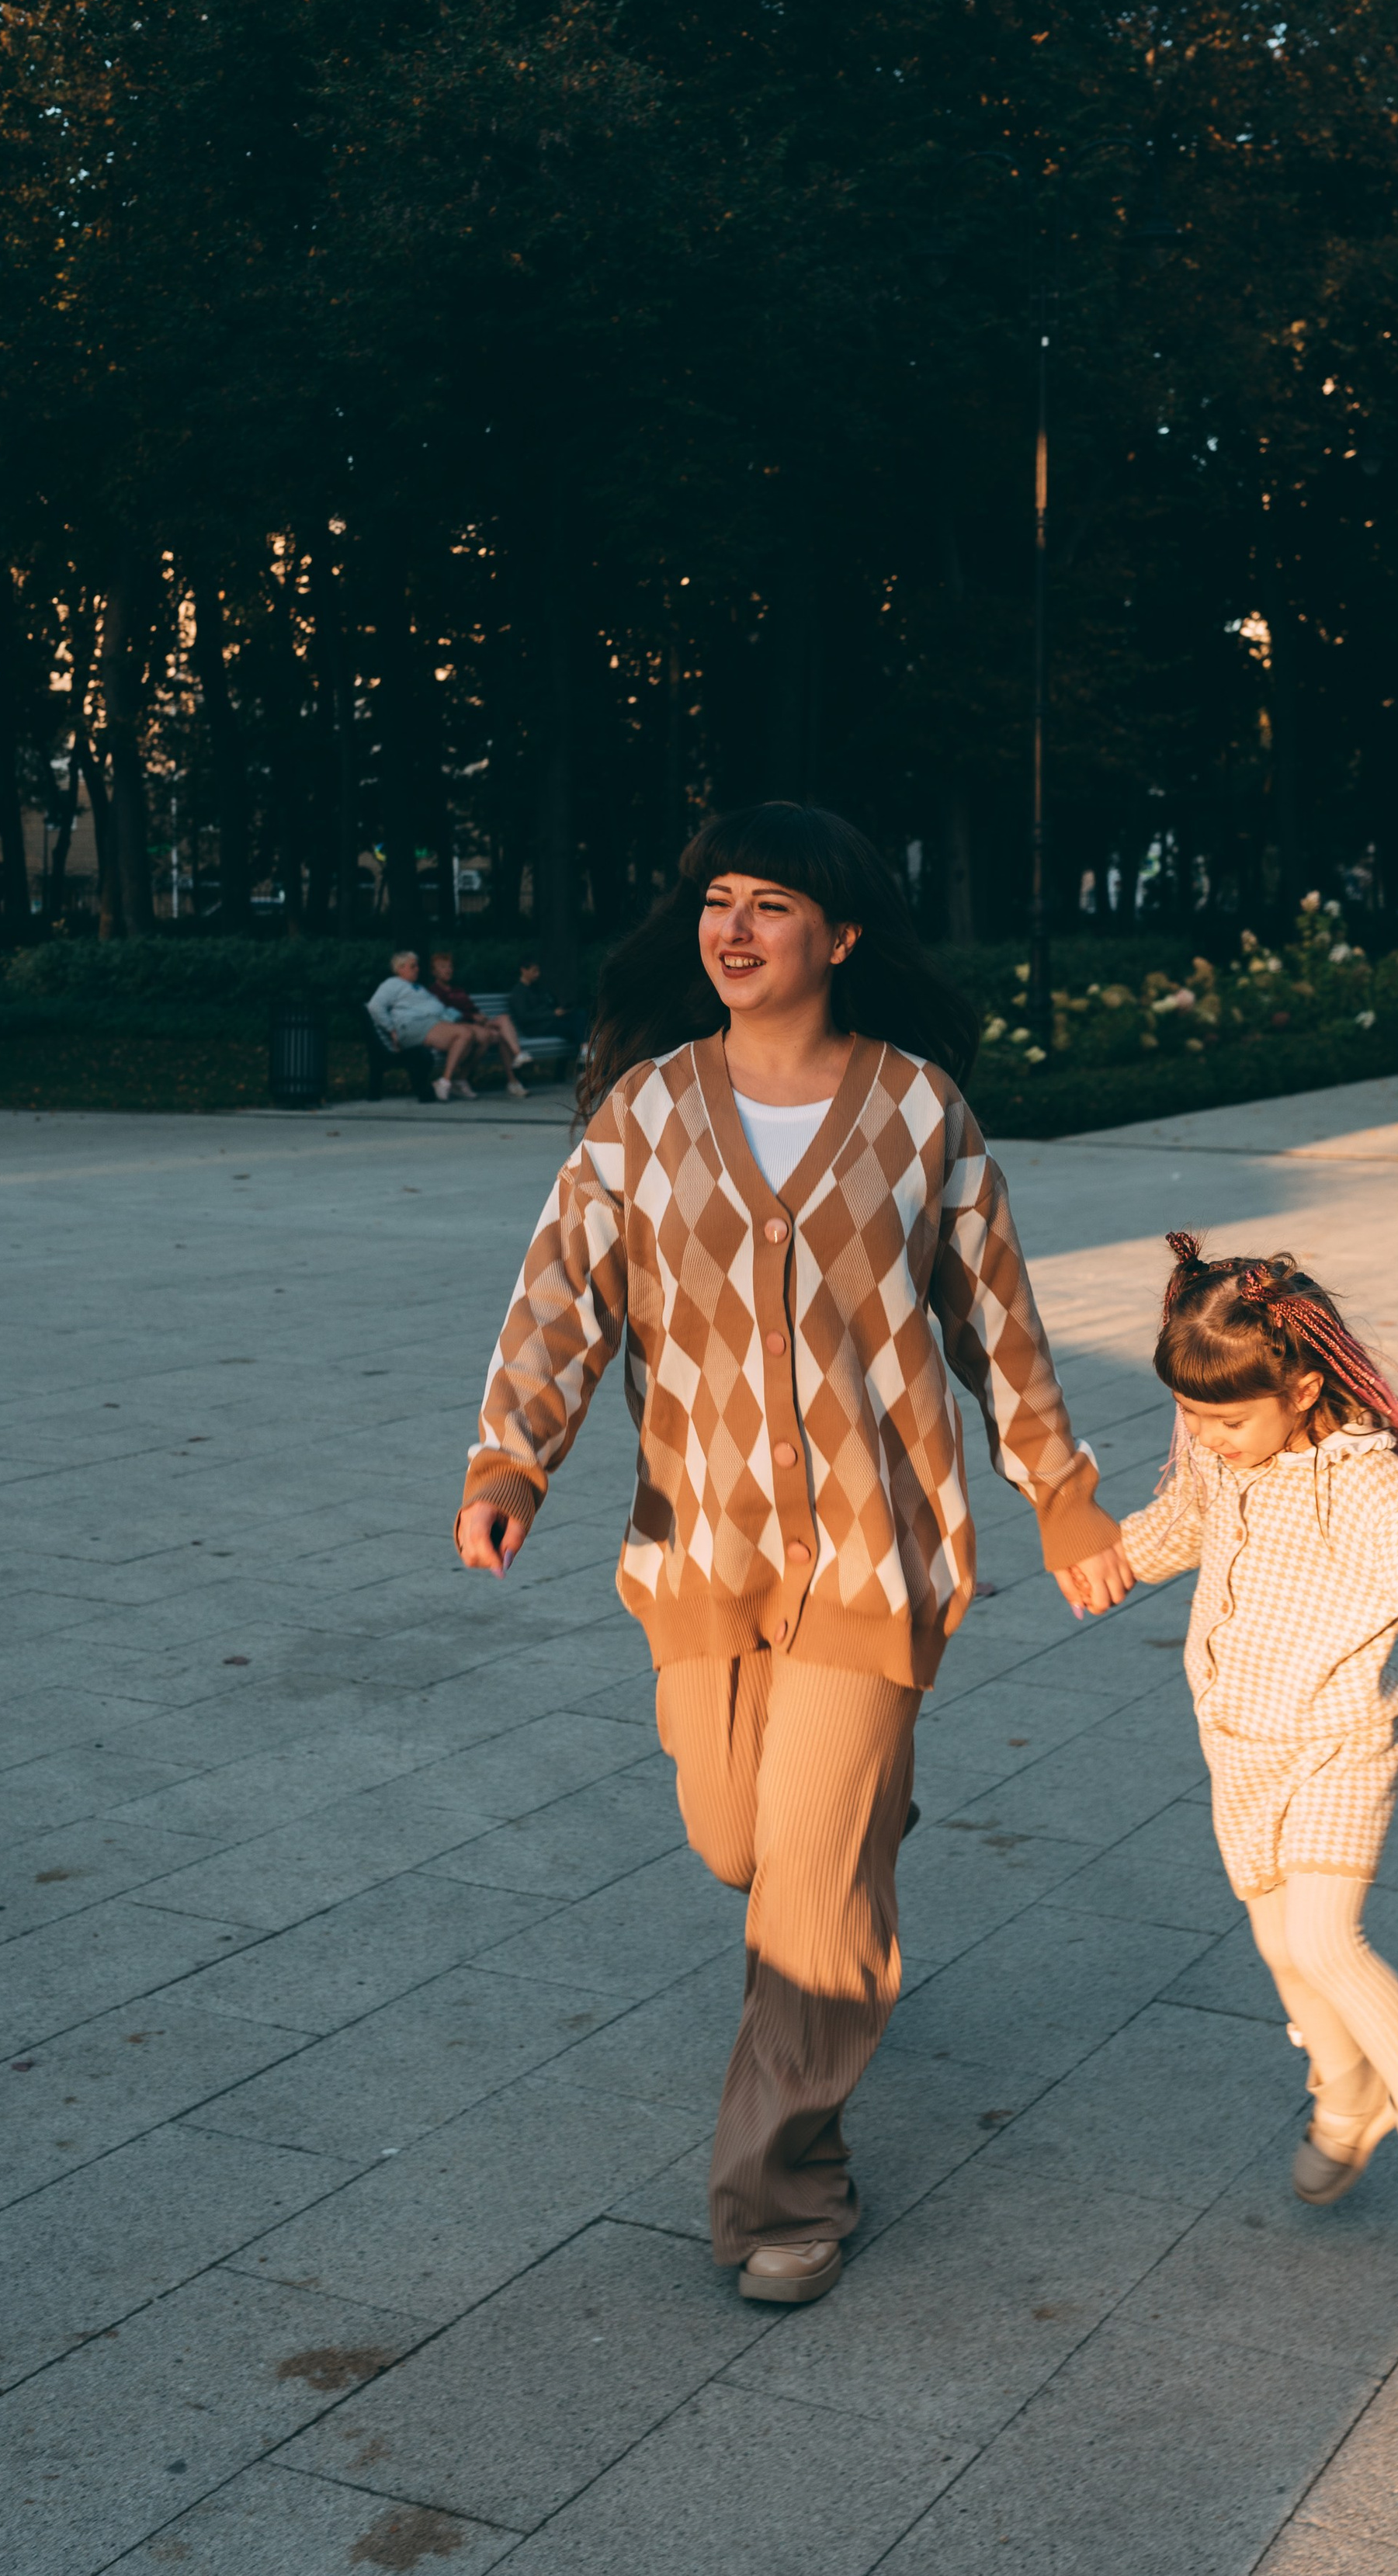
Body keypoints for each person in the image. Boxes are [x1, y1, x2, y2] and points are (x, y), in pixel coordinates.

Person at [453, 802, 1121, 2307]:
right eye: (717, 902)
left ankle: (782, 2193)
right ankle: (848, 1822)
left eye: (770, 905)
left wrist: (1059, 1490)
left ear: (842, 935)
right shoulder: (639, 1114)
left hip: (878, 1562)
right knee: (737, 1843)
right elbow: (562, 1299)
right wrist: (512, 1460)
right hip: (699, 1555)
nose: (734, 929)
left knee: (808, 1895)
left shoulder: (917, 1115)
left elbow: (995, 1325)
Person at [1061, 1238, 1398, 2254]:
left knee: (1323, 1940)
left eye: (1227, 1417)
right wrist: (1104, 1561)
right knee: (1279, 1946)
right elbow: (1178, 1525)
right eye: (1191, 1413)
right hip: (1240, 1748)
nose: (1207, 1437)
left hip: (1335, 1746)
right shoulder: (1225, 1462)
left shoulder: (1364, 1487)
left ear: (1303, 1382)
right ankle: (1345, 2088)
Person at [366, 950, 479, 1100]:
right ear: (401, 968)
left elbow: (435, 1008)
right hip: (413, 1027)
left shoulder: (417, 987)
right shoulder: (392, 984)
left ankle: (451, 1081)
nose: (417, 969)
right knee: (465, 1034)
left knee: (477, 1036)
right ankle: (445, 1082)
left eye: (417, 965)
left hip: (431, 1024)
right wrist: (391, 1029)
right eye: (413, 966)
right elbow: (375, 1006)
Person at [428, 948, 531, 1097]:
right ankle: (511, 1081)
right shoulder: (434, 992)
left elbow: (471, 1007)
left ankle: (518, 1058)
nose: (448, 970)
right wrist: (472, 1016)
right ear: (434, 972)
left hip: (476, 1023)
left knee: (504, 1019)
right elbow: (445, 1014)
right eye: (443, 967)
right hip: (460, 1028)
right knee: (497, 1036)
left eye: (450, 966)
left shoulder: (458, 990)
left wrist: (479, 1015)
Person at [513, 953, 588, 1064]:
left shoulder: (538, 987)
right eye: (534, 971)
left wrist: (560, 1010)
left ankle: (585, 1052)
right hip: (538, 1027)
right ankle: (585, 1057)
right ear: (523, 970)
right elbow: (524, 1016)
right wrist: (552, 1014)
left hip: (551, 1021)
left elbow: (549, 1004)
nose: (537, 974)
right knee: (575, 1028)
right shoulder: (519, 992)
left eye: (538, 971)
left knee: (580, 1015)